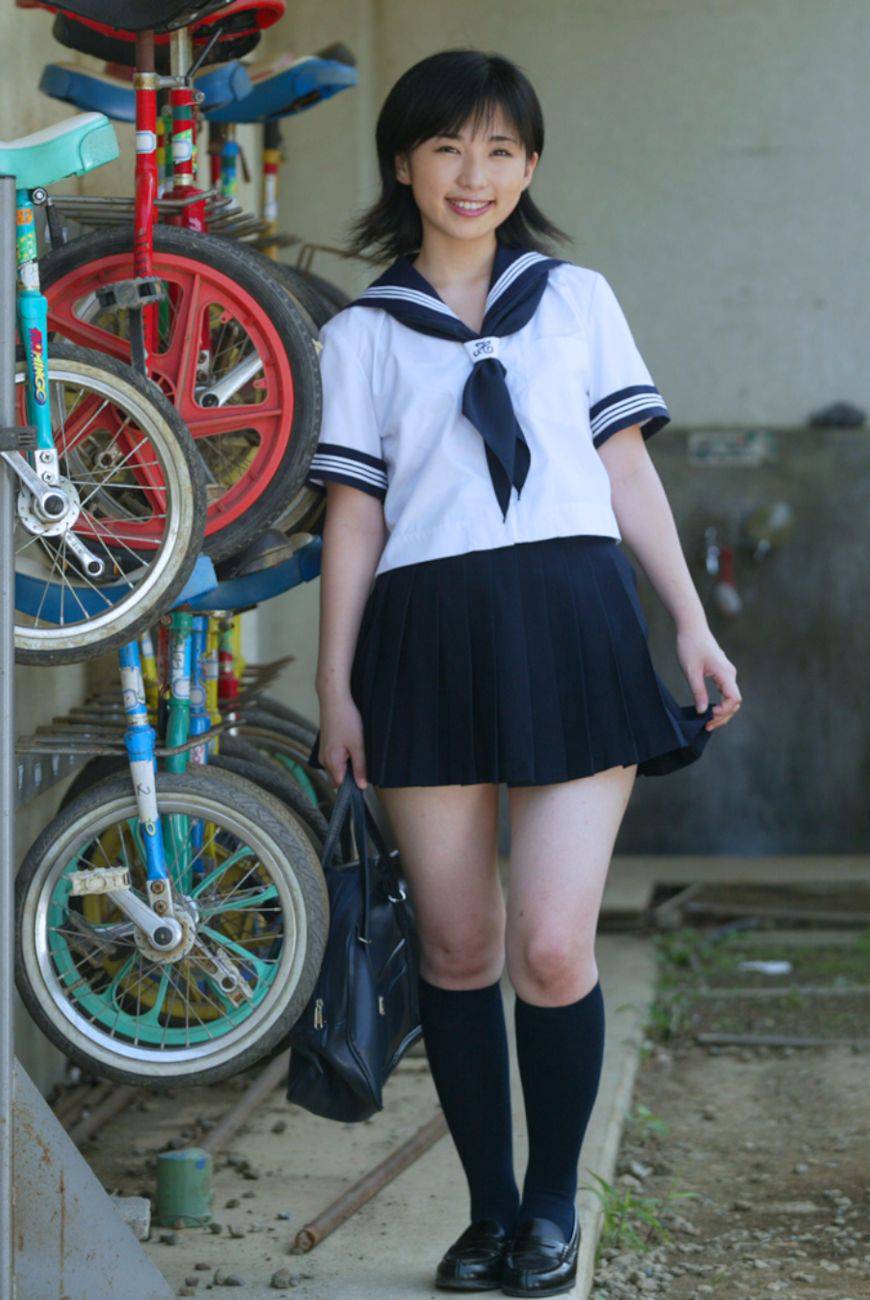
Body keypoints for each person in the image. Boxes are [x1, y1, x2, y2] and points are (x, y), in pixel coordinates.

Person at [304, 47, 741, 1297]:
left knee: (551, 946)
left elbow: (625, 469)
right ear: (403, 163)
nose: (473, 173)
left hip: (575, 624)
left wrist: (690, 624)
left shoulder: (578, 300)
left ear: (530, 165)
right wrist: (335, 688)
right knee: (456, 946)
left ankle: (551, 1209)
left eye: (500, 149)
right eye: (448, 146)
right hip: (425, 636)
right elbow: (354, 519)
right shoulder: (361, 334)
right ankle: (488, 1214)